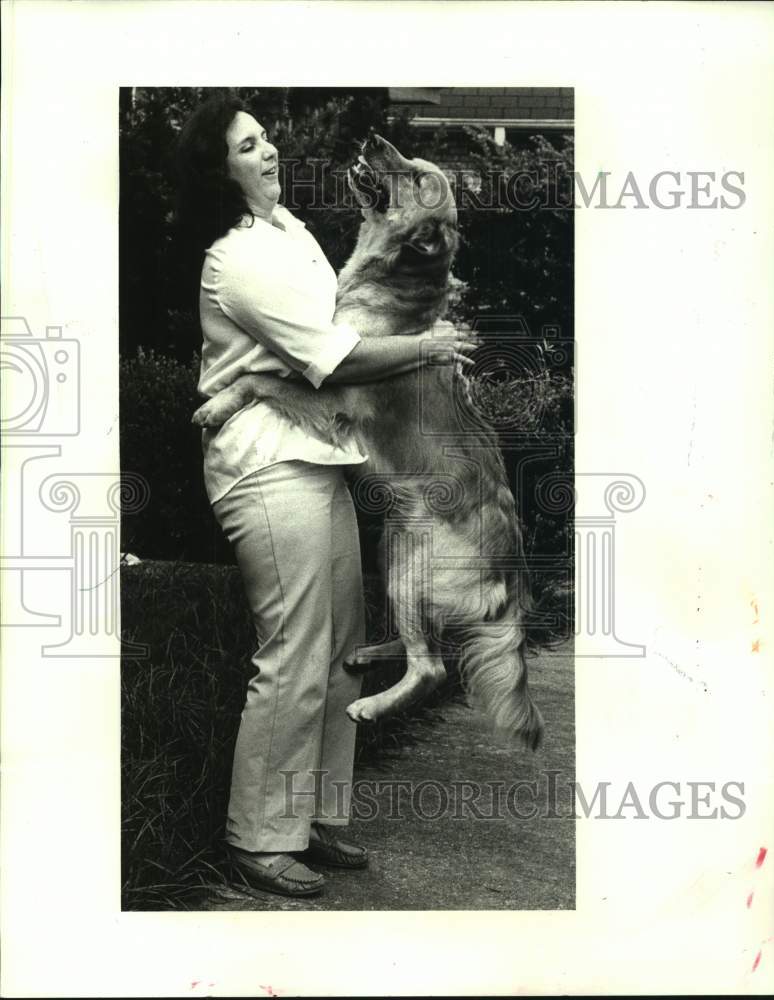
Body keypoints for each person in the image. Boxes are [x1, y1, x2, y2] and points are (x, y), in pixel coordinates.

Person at [175, 94, 476, 898]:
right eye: (248, 147)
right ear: (221, 170)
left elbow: (344, 317)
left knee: (341, 646)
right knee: (294, 656)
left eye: (266, 137)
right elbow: (335, 355)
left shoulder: (290, 232)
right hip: (267, 466)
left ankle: (314, 819)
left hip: (315, 455)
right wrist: (427, 343)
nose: (269, 151)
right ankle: (259, 839)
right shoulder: (234, 257)